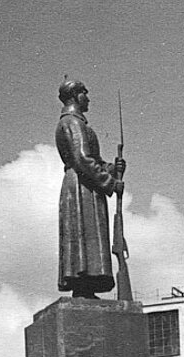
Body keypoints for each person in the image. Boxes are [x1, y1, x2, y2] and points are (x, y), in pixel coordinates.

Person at [55, 79, 124, 298]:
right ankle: (82, 282)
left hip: (86, 185)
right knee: (84, 235)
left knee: (87, 237)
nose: (89, 98)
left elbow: (91, 159)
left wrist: (112, 169)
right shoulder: (73, 123)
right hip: (82, 187)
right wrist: (110, 182)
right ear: (75, 96)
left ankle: (86, 284)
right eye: (85, 93)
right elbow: (82, 159)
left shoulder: (76, 123)